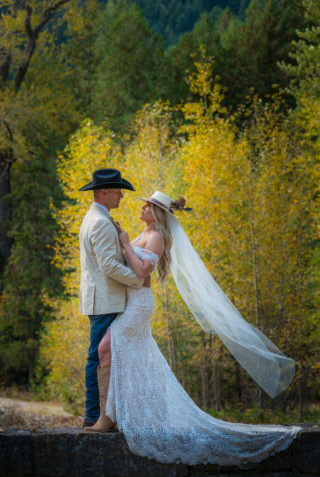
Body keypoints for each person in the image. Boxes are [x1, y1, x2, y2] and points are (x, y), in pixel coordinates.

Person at [83, 188, 301, 466]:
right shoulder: (142, 234)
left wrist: (125, 242)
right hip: (128, 303)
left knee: (105, 349)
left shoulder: (157, 237)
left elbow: (140, 272)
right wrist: (121, 236)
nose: (141, 209)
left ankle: (105, 418)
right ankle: (117, 414)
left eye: (146, 206)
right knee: (135, 358)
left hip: (138, 305)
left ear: (157, 212)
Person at [78, 168, 150, 430]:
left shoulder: (98, 218)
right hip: (105, 300)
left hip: (103, 299)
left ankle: (102, 414)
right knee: (98, 357)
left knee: (102, 355)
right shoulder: (99, 221)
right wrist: (138, 280)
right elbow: (108, 265)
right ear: (104, 192)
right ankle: (94, 414)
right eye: (118, 190)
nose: (122, 195)